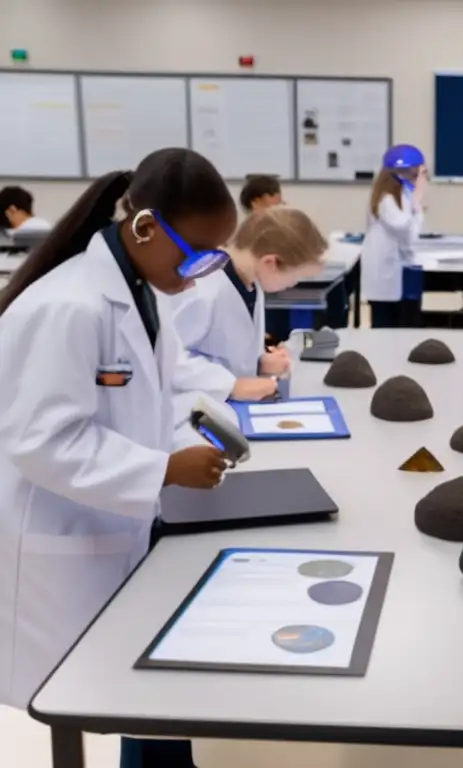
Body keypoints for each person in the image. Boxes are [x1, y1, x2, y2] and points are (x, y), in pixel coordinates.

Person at [0, 148, 238, 768]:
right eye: (196, 255)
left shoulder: (144, 291)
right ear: (145, 227)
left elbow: (144, 401)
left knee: (140, 691)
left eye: (215, 259)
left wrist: (185, 441)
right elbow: (41, 441)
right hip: (61, 535)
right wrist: (162, 469)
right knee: (81, 698)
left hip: (117, 521)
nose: (200, 272)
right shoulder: (68, 307)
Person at [172, 207, 328, 408]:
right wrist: (232, 385)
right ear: (270, 262)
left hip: (230, 404)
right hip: (192, 410)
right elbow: (169, 358)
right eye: (295, 276)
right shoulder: (204, 288)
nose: (294, 284)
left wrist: (258, 362)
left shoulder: (251, 281)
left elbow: (223, 348)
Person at [361, 144, 427, 328]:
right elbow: (402, 226)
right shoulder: (385, 198)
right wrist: (418, 197)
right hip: (385, 273)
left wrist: (415, 204)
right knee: (385, 325)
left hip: (399, 269)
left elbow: (413, 232)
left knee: (403, 318)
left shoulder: (403, 195)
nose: (419, 178)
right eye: (415, 173)